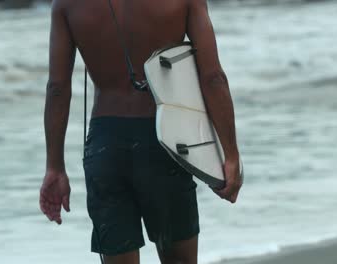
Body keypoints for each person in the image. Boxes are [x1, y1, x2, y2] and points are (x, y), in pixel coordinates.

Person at [39, 0, 242, 263]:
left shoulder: (66, 4)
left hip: (105, 145)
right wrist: (230, 155)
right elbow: (213, 77)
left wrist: (54, 167)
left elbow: (57, 88)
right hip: (166, 142)